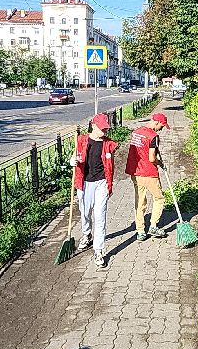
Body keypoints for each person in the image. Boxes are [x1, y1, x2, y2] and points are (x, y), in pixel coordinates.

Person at [72, 112, 119, 269]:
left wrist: (108, 184)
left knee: (100, 216)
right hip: (84, 182)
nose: (104, 132)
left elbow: (111, 161)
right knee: (85, 212)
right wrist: (73, 160)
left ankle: (99, 250)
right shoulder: (82, 140)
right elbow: (76, 155)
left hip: (101, 184)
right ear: (93, 126)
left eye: (106, 129)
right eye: (102, 129)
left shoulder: (109, 144)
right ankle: (86, 234)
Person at [125, 112, 169, 242]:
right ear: (156, 122)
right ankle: (153, 226)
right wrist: (160, 163)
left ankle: (140, 231)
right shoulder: (154, 136)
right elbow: (151, 158)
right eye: (162, 126)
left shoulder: (136, 132)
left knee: (140, 201)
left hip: (135, 172)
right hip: (149, 173)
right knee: (159, 198)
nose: (161, 129)